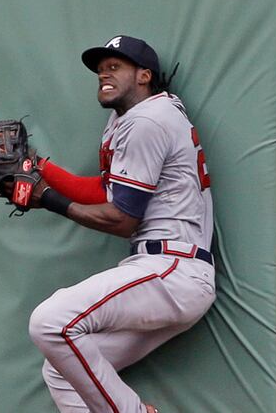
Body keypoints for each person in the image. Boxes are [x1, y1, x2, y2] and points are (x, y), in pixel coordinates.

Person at [22, 35, 215, 413]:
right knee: (62, 372)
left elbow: (122, 219)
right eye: (100, 70)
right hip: (165, 269)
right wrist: (41, 171)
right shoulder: (137, 117)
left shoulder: (148, 119)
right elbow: (108, 192)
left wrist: (46, 198)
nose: (103, 75)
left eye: (115, 67)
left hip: (172, 268)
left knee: (50, 321)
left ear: (144, 76)